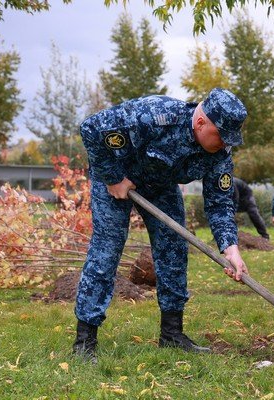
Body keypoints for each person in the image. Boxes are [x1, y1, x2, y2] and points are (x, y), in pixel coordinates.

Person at [73, 88, 249, 361]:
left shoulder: (219, 154)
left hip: (160, 186)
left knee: (174, 251)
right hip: (116, 179)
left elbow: (220, 204)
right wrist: (112, 177)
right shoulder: (155, 115)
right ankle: (85, 341)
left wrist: (230, 247)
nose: (225, 144)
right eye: (221, 135)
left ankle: (171, 334)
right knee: (106, 251)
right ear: (201, 122)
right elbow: (91, 128)